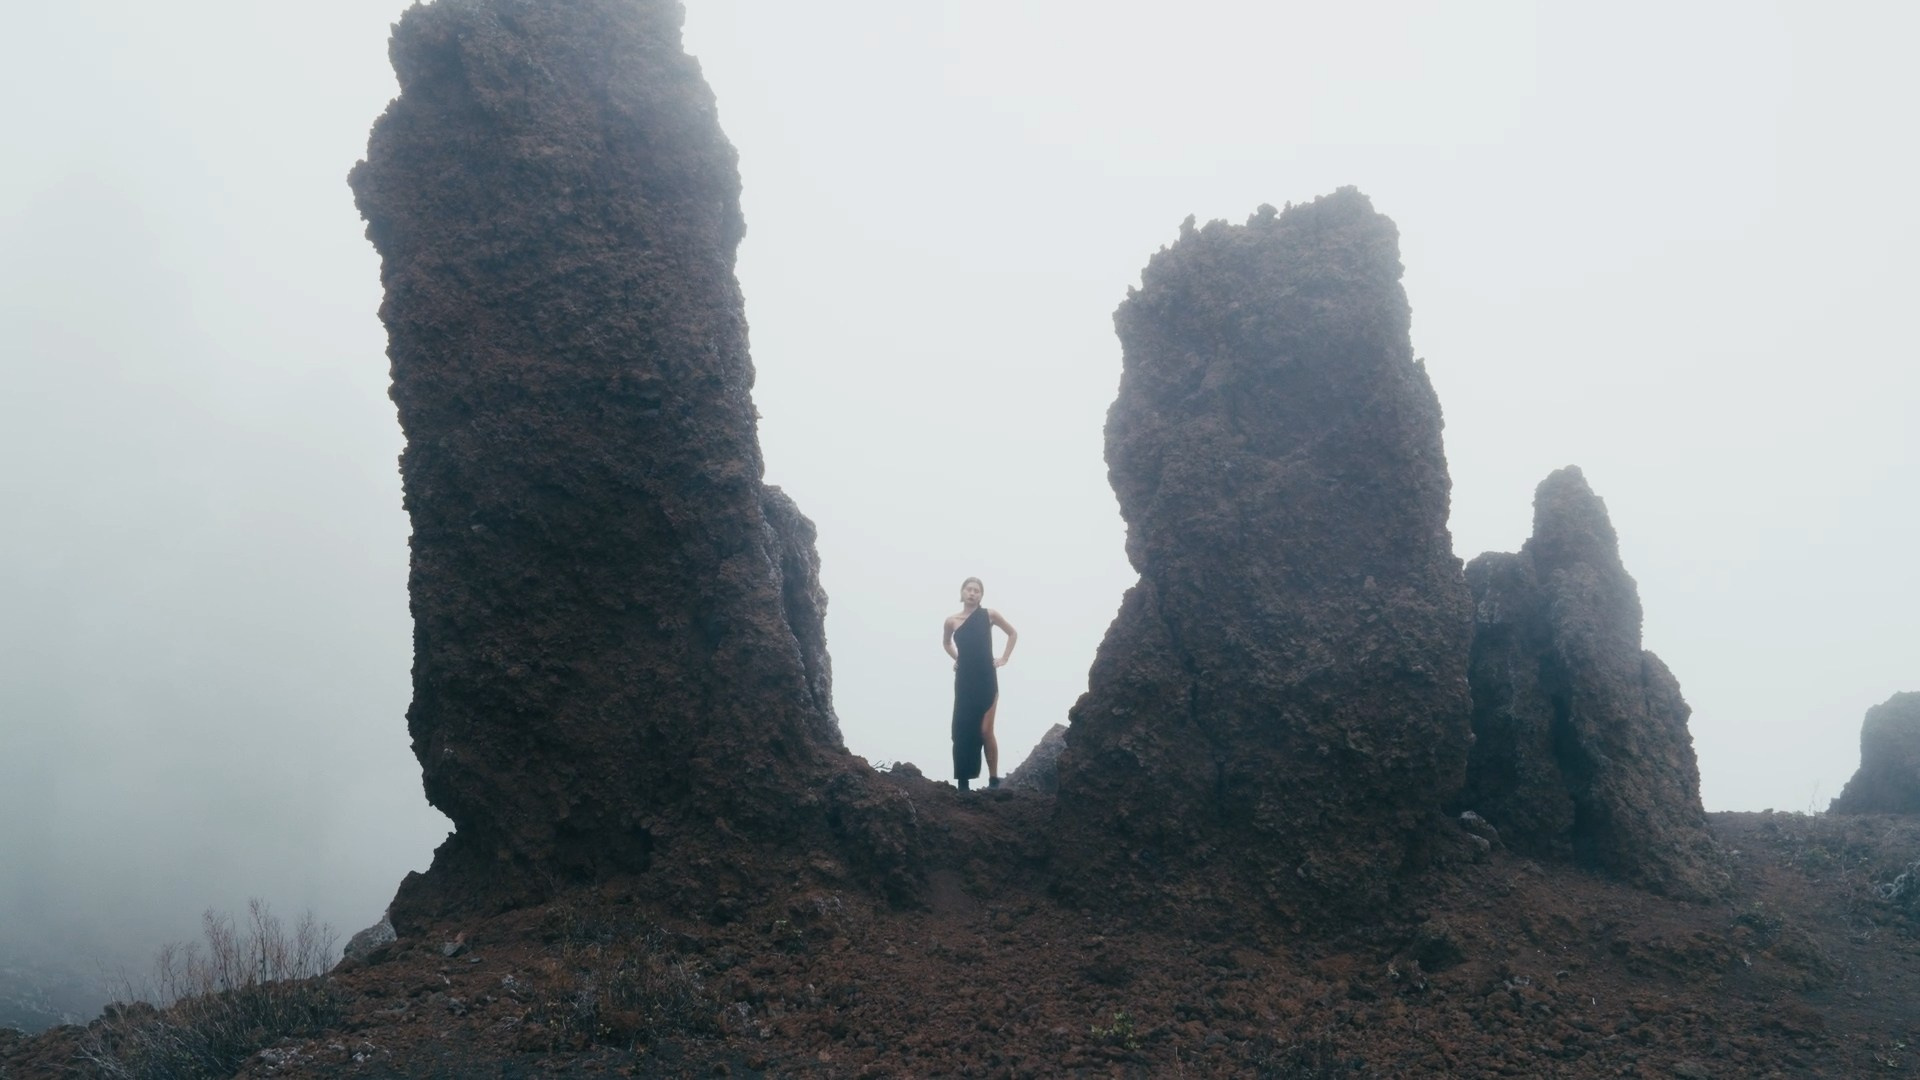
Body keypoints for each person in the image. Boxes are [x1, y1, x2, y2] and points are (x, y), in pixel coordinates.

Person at [942, 576, 1018, 791]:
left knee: (985, 730)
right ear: (962, 592)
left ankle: (994, 779)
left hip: (986, 679)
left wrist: (1004, 658)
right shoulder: (951, 621)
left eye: (977, 590)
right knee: (962, 728)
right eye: (969, 589)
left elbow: (1012, 633)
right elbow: (946, 643)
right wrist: (958, 658)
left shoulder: (989, 615)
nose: (972, 593)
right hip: (964, 681)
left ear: (981, 595)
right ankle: (963, 782)